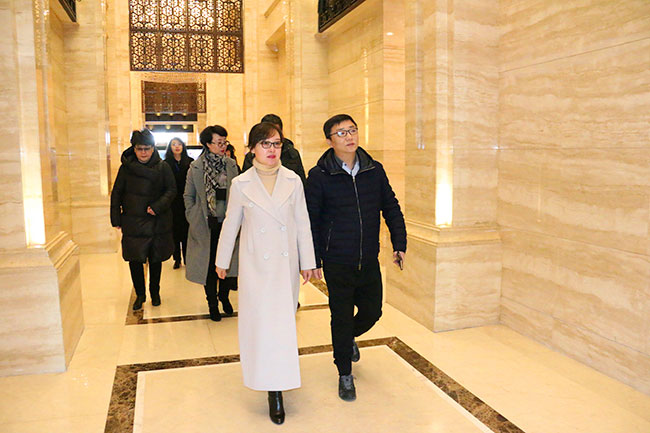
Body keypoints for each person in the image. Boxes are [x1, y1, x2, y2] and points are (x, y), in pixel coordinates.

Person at [215, 122, 317, 425]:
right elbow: (231, 223)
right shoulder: (241, 184)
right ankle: (267, 383)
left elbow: (303, 223)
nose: (272, 150)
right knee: (260, 327)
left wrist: (308, 261)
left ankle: (278, 387)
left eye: (277, 144)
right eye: (265, 144)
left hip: (284, 267)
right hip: (256, 267)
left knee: (282, 326)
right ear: (252, 149)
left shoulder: (293, 180)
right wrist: (222, 260)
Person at [304, 114, 407, 402]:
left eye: (352, 130)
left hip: (368, 257)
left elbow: (391, 207)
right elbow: (311, 220)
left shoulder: (374, 170)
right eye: (341, 133)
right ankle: (344, 374)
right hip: (337, 260)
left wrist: (399, 242)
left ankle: (348, 337)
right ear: (329, 140)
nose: (349, 136)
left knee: (373, 312)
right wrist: (313, 259)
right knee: (340, 317)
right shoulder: (320, 175)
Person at [110, 129, 176, 311]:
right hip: (133, 221)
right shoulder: (126, 168)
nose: (144, 153)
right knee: (135, 260)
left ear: (153, 148)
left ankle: (155, 292)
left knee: (155, 259)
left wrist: (157, 206)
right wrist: (116, 218)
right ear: (134, 149)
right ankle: (140, 294)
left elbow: (171, 190)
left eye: (147, 148)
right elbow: (117, 193)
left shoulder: (163, 167)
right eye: (140, 149)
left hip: (156, 221)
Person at [184, 125, 239, 321]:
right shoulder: (196, 167)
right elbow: (188, 196)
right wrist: (193, 216)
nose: (223, 146)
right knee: (209, 266)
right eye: (219, 143)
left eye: (225, 142)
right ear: (208, 144)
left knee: (227, 263)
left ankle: (224, 296)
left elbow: (238, 192)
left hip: (228, 223)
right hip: (206, 224)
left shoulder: (231, 165)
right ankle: (212, 303)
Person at [242, 114, 306, 183]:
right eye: (266, 143)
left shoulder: (292, 154)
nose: (272, 149)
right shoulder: (250, 157)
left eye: (276, 143)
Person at [163, 137, 194, 269]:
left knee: (187, 231)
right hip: (172, 202)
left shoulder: (190, 162)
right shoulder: (165, 164)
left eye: (179, 144)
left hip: (186, 201)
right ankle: (176, 258)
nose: (177, 146)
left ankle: (187, 258)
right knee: (174, 232)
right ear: (170, 147)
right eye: (174, 144)